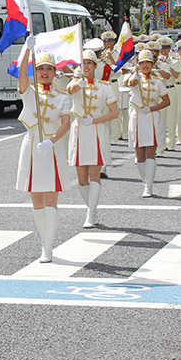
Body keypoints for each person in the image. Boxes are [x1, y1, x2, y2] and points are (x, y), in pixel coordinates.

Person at [16, 35, 71, 262]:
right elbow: (21, 77)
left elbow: (66, 123)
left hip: (52, 146)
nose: (45, 73)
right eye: (40, 69)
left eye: (49, 69)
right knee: (36, 198)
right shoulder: (29, 92)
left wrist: (52, 141)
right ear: (36, 72)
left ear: (55, 72)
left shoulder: (62, 97)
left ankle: (49, 246)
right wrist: (27, 51)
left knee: (52, 197)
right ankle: (43, 241)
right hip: (31, 146)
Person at [66, 50, 119, 228]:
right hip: (80, 130)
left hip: (96, 130)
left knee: (95, 173)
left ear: (96, 66)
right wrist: (79, 83)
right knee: (81, 177)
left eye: (89, 63)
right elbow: (70, 90)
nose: (86, 66)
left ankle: (91, 212)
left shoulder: (105, 87)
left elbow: (114, 113)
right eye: (83, 63)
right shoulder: (76, 83)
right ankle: (91, 207)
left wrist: (95, 120)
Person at [126, 50, 170, 197]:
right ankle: (145, 180)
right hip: (137, 117)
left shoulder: (158, 82)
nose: (145, 65)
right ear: (138, 65)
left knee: (151, 152)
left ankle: (149, 186)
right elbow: (130, 83)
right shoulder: (134, 77)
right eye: (142, 62)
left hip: (151, 117)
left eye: (148, 62)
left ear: (153, 64)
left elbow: (166, 101)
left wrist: (151, 108)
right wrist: (135, 75)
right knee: (139, 153)